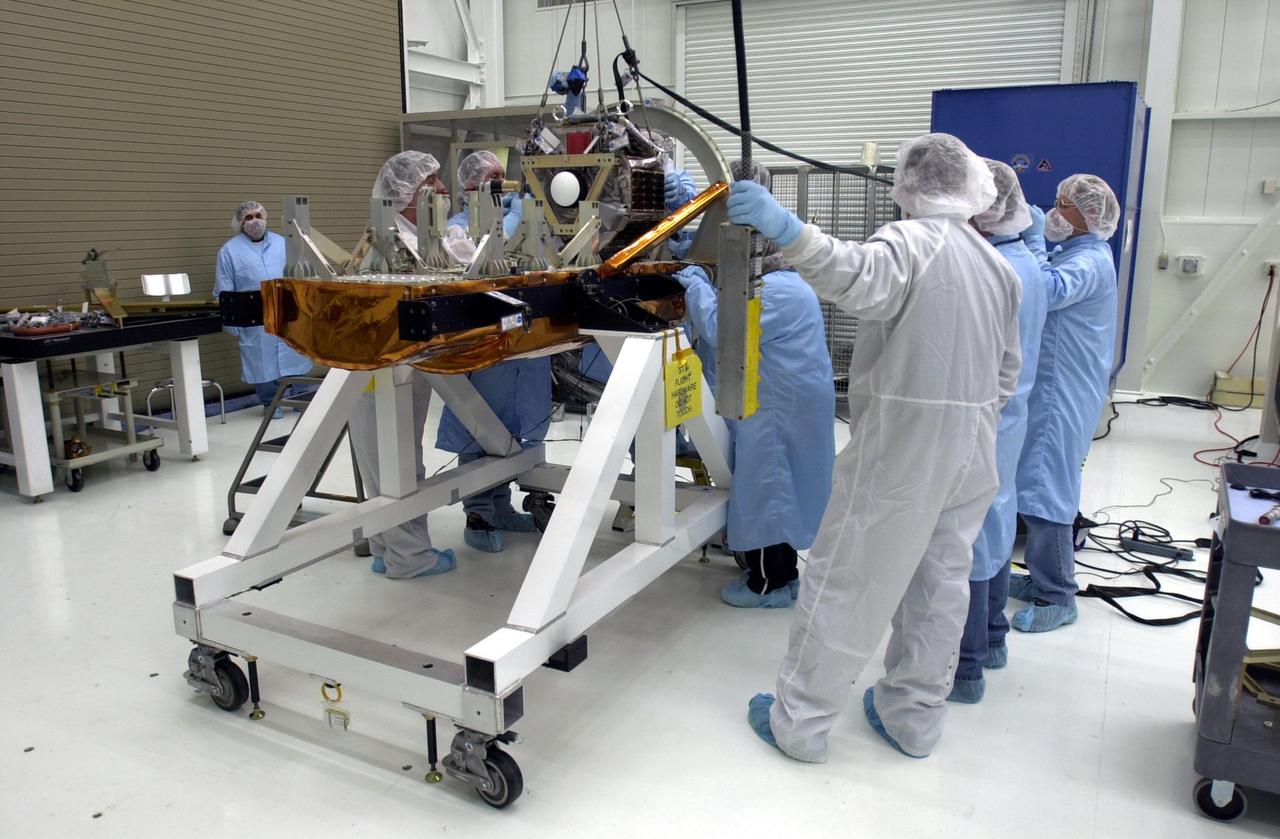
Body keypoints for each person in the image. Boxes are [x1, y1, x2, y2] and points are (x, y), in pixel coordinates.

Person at [728, 133, 1022, 761]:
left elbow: (856, 279)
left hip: (904, 444)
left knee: (849, 576)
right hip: (974, 445)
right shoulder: (994, 261)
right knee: (941, 585)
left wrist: (785, 227)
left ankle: (799, 725)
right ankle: (913, 717)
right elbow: (1007, 371)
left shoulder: (911, 241)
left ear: (911, 184)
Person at [676, 160, 835, 609]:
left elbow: (718, 325)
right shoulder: (788, 280)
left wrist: (693, 283)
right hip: (784, 400)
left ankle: (769, 583)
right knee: (773, 486)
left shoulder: (775, 292)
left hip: (777, 409)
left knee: (770, 488)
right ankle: (772, 571)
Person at [948, 160, 1047, 704]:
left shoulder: (995, 270)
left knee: (970, 541)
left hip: (986, 421)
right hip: (1007, 420)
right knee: (992, 530)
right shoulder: (1024, 261)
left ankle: (964, 668)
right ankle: (991, 639)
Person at [1011, 174, 1120, 633]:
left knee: (1045, 486)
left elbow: (1048, 291)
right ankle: (1039, 579)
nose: (1053, 212)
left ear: (1088, 218)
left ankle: (1058, 594)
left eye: (1063, 206)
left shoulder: (1090, 261)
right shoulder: (1073, 253)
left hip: (1063, 392)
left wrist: (1033, 239)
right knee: (1031, 478)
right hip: (1052, 387)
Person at [436, 151, 552, 553]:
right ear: (470, 187)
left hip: (527, 341)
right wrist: (517, 219)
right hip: (485, 344)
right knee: (481, 427)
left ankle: (501, 507)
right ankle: (479, 512)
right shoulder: (455, 228)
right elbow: (481, 259)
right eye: (492, 180)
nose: (503, 186)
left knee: (521, 425)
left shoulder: (527, 218)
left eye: (505, 177)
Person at [352, 151, 456, 580]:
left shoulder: (416, 235)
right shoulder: (393, 240)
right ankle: (409, 558)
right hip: (383, 369)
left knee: (383, 460)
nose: (445, 191)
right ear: (409, 193)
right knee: (394, 461)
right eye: (434, 183)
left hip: (391, 368)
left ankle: (385, 547)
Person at [214, 201, 314, 418]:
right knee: (261, 360)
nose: (254, 221)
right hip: (253, 315)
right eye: (248, 218)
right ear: (240, 223)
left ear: (266, 216)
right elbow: (224, 289)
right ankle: (270, 402)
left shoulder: (283, 243)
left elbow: (301, 274)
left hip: (289, 311)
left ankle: (299, 398)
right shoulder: (229, 251)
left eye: (258, 215)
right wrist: (231, 318)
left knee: (296, 352)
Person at [447, 150, 524, 239]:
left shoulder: (501, 217)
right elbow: (485, 248)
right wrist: (516, 215)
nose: (503, 183)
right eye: (494, 177)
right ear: (471, 184)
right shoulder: (456, 227)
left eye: (503, 176)